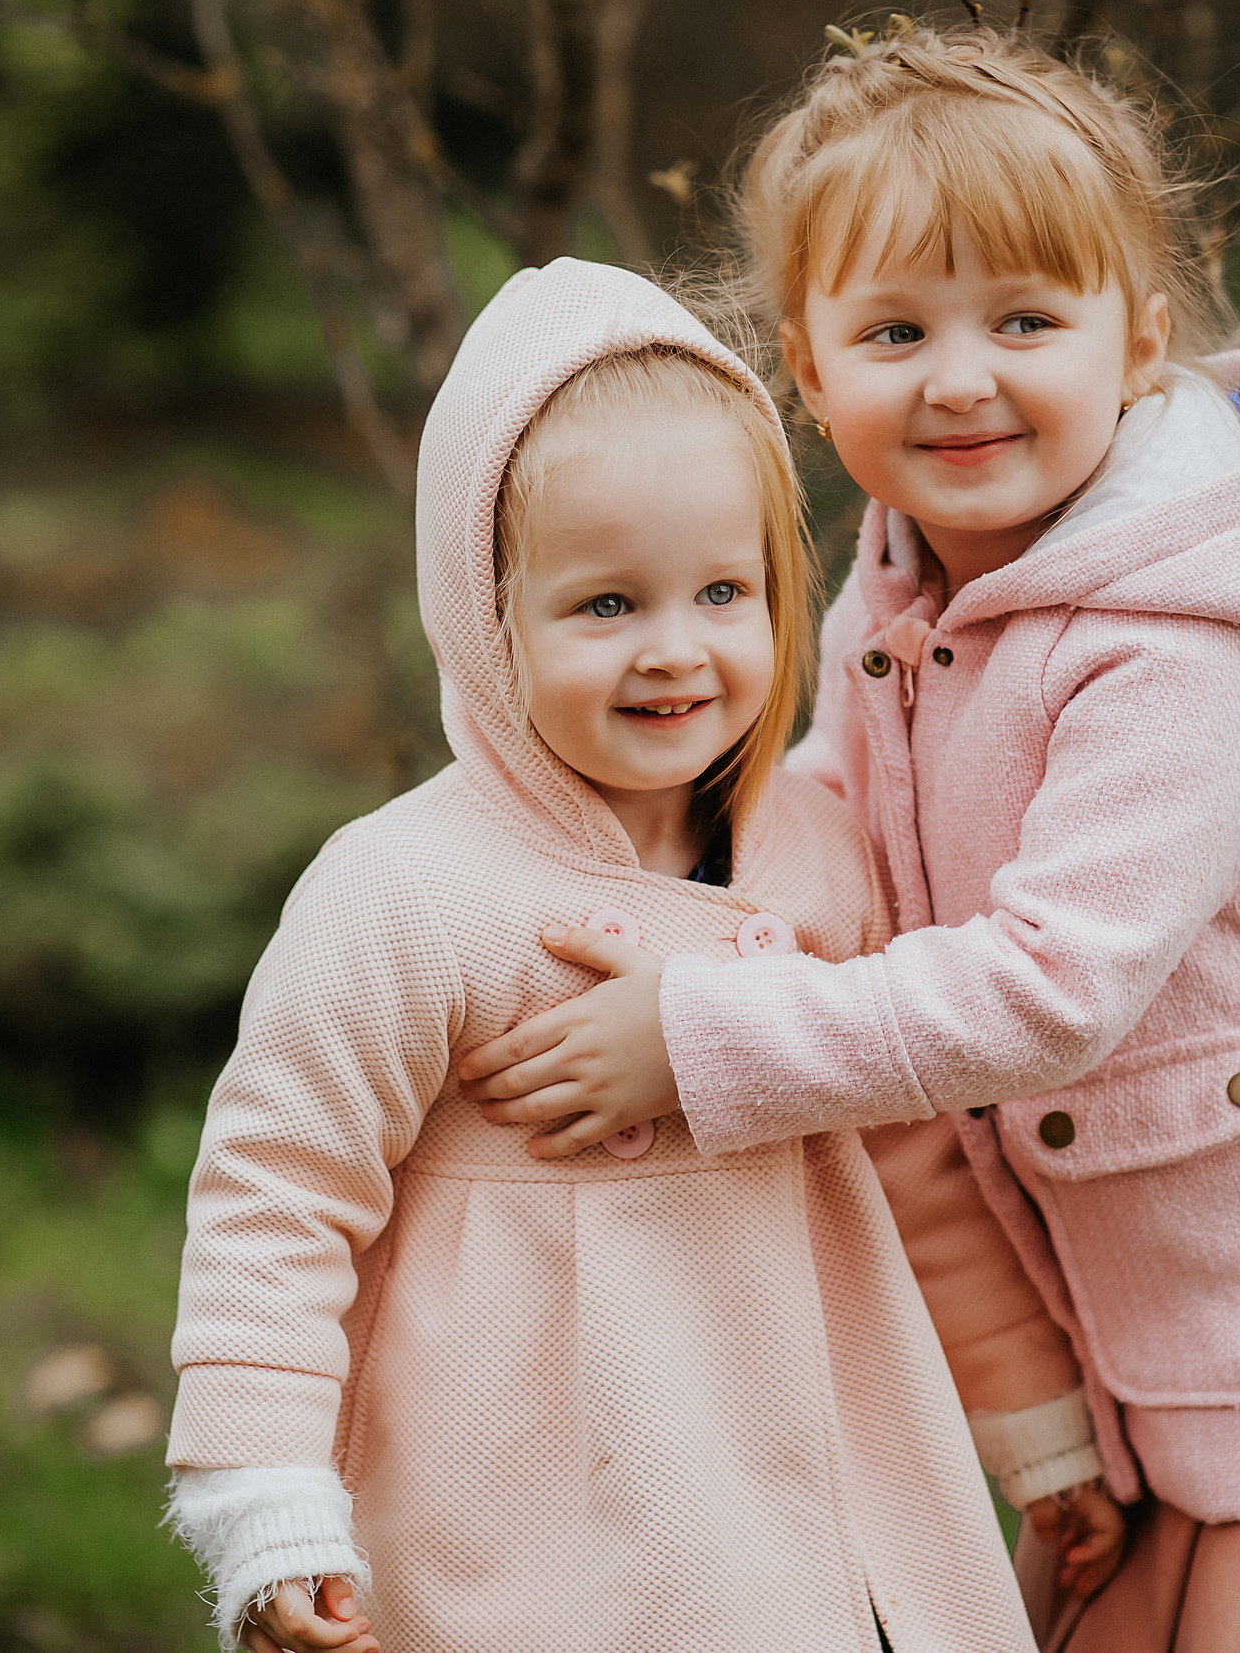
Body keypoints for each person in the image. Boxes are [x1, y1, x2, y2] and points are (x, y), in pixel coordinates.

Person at [456, 27, 1240, 1649]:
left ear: (1142, 342)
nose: (960, 376)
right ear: (811, 382)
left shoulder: (1189, 644)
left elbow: (1049, 989)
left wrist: (697, 1035)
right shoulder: (908, 579)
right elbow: (830, 819)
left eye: (1024, 319)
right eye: (895, 329)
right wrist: (647, 859)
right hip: (1166, 1306)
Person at [160, 256, 1053, 1653]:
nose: (675, 653)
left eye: (721, 593)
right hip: (523, 1490)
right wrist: (265, 1496)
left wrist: (1030, 1419)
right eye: (605, 607)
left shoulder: (810, 853)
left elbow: (911, 1153)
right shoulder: (408, 892)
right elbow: (279, 1192)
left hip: (794, 1472)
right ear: (486, 615)